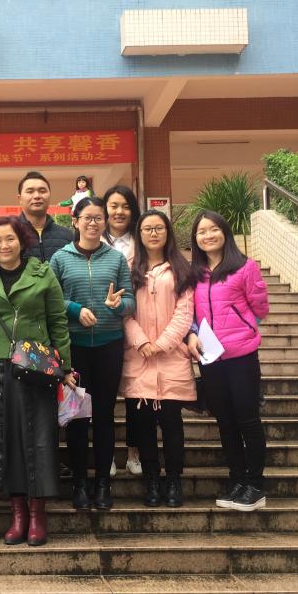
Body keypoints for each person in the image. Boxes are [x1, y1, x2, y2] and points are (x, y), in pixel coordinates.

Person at [0, 217, 74, 547]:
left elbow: (58, 321)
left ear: (22, 241)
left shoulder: (42, 274)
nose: (4, 246)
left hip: (36, 368)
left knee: (39, 439)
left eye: (10, 239)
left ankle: (37, 514)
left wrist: (65, 367)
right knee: (6, 440)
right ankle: (17, 514)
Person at [49, 197, 134, 511]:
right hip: (74, 349)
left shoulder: (116, 258)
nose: (93, 223)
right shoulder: (60, 258)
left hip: (109, 347)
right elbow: (50, 299)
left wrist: (119, 305)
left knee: (104, 416)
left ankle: (102, 484)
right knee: (77, 418)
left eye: (99, 217)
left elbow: (131, 301)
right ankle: (79, 483)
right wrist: (74, 309)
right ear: (75, 221)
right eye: (87, 217)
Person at [187, 210, 270, 512]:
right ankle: (237, 480)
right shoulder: (194, 273)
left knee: (247, 419)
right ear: (195, 239)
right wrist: (192, 333)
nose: (208, 235)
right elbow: (190, 313)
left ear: (225, 232)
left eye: (213, 229)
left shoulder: (245, 267)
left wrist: (243, 327)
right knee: (225, 420)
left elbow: (260, 308)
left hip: (241, 355)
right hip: (210, 357)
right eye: (201, 232)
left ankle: (255, 485)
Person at [121, 210, 196, 508]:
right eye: (147, 228)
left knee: (172, 423)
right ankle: (151, 479)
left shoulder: (180, 267)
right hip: (138, 357)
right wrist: (141, 341)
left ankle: (174, 479)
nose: (153, 233)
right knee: (143, 425)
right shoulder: (128, 267)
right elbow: (123, 311)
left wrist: (162, 344)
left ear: (168, 232)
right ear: (139, 234)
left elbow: (185, 312)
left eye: (159, 228)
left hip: (171, 357)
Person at [102, 185, 143, 479]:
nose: (119, 212)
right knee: (103, 396)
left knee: (135, 395)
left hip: (139, 324)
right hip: (103, 329)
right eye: (113, 206)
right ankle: (106, 453)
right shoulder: (93, 240)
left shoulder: (142, 241)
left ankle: (133, 452)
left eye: (125, 206)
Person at [17, 171, 73, 263]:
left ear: (50, 195)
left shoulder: (68, 236)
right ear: (20, 199)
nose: (37, 196)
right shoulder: (11, 234)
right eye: (30, 191)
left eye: (42, 191)